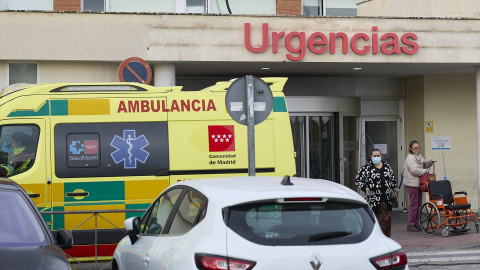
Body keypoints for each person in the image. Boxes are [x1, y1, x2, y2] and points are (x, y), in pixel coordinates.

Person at [355, 148, 399, 237]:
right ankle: (375, 238)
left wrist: (394, 187)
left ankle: (386, 239)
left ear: (381, 156)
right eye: (374, 156)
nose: (376, 157)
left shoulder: (386, 165)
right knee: (375, 220)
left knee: (387, 220)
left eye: (378, 156)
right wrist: (365, 188)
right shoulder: (366, 167)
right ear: (371, 157)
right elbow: (358, 180)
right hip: (374, 199)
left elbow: (392, 179)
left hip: (387, 198)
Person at [403, 140, 436, 232]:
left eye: (418, 147)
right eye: (415, 148)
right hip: (411, 184)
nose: (417, 149)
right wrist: (425, 171)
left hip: (418, 184)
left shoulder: (418, 156)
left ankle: (417, 223)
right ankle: (410, 224)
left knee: (418, 204)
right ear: (411, 149)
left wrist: (429, 161)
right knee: (414, 205)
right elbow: (414, 170)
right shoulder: (410, 158)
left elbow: (424, 163)